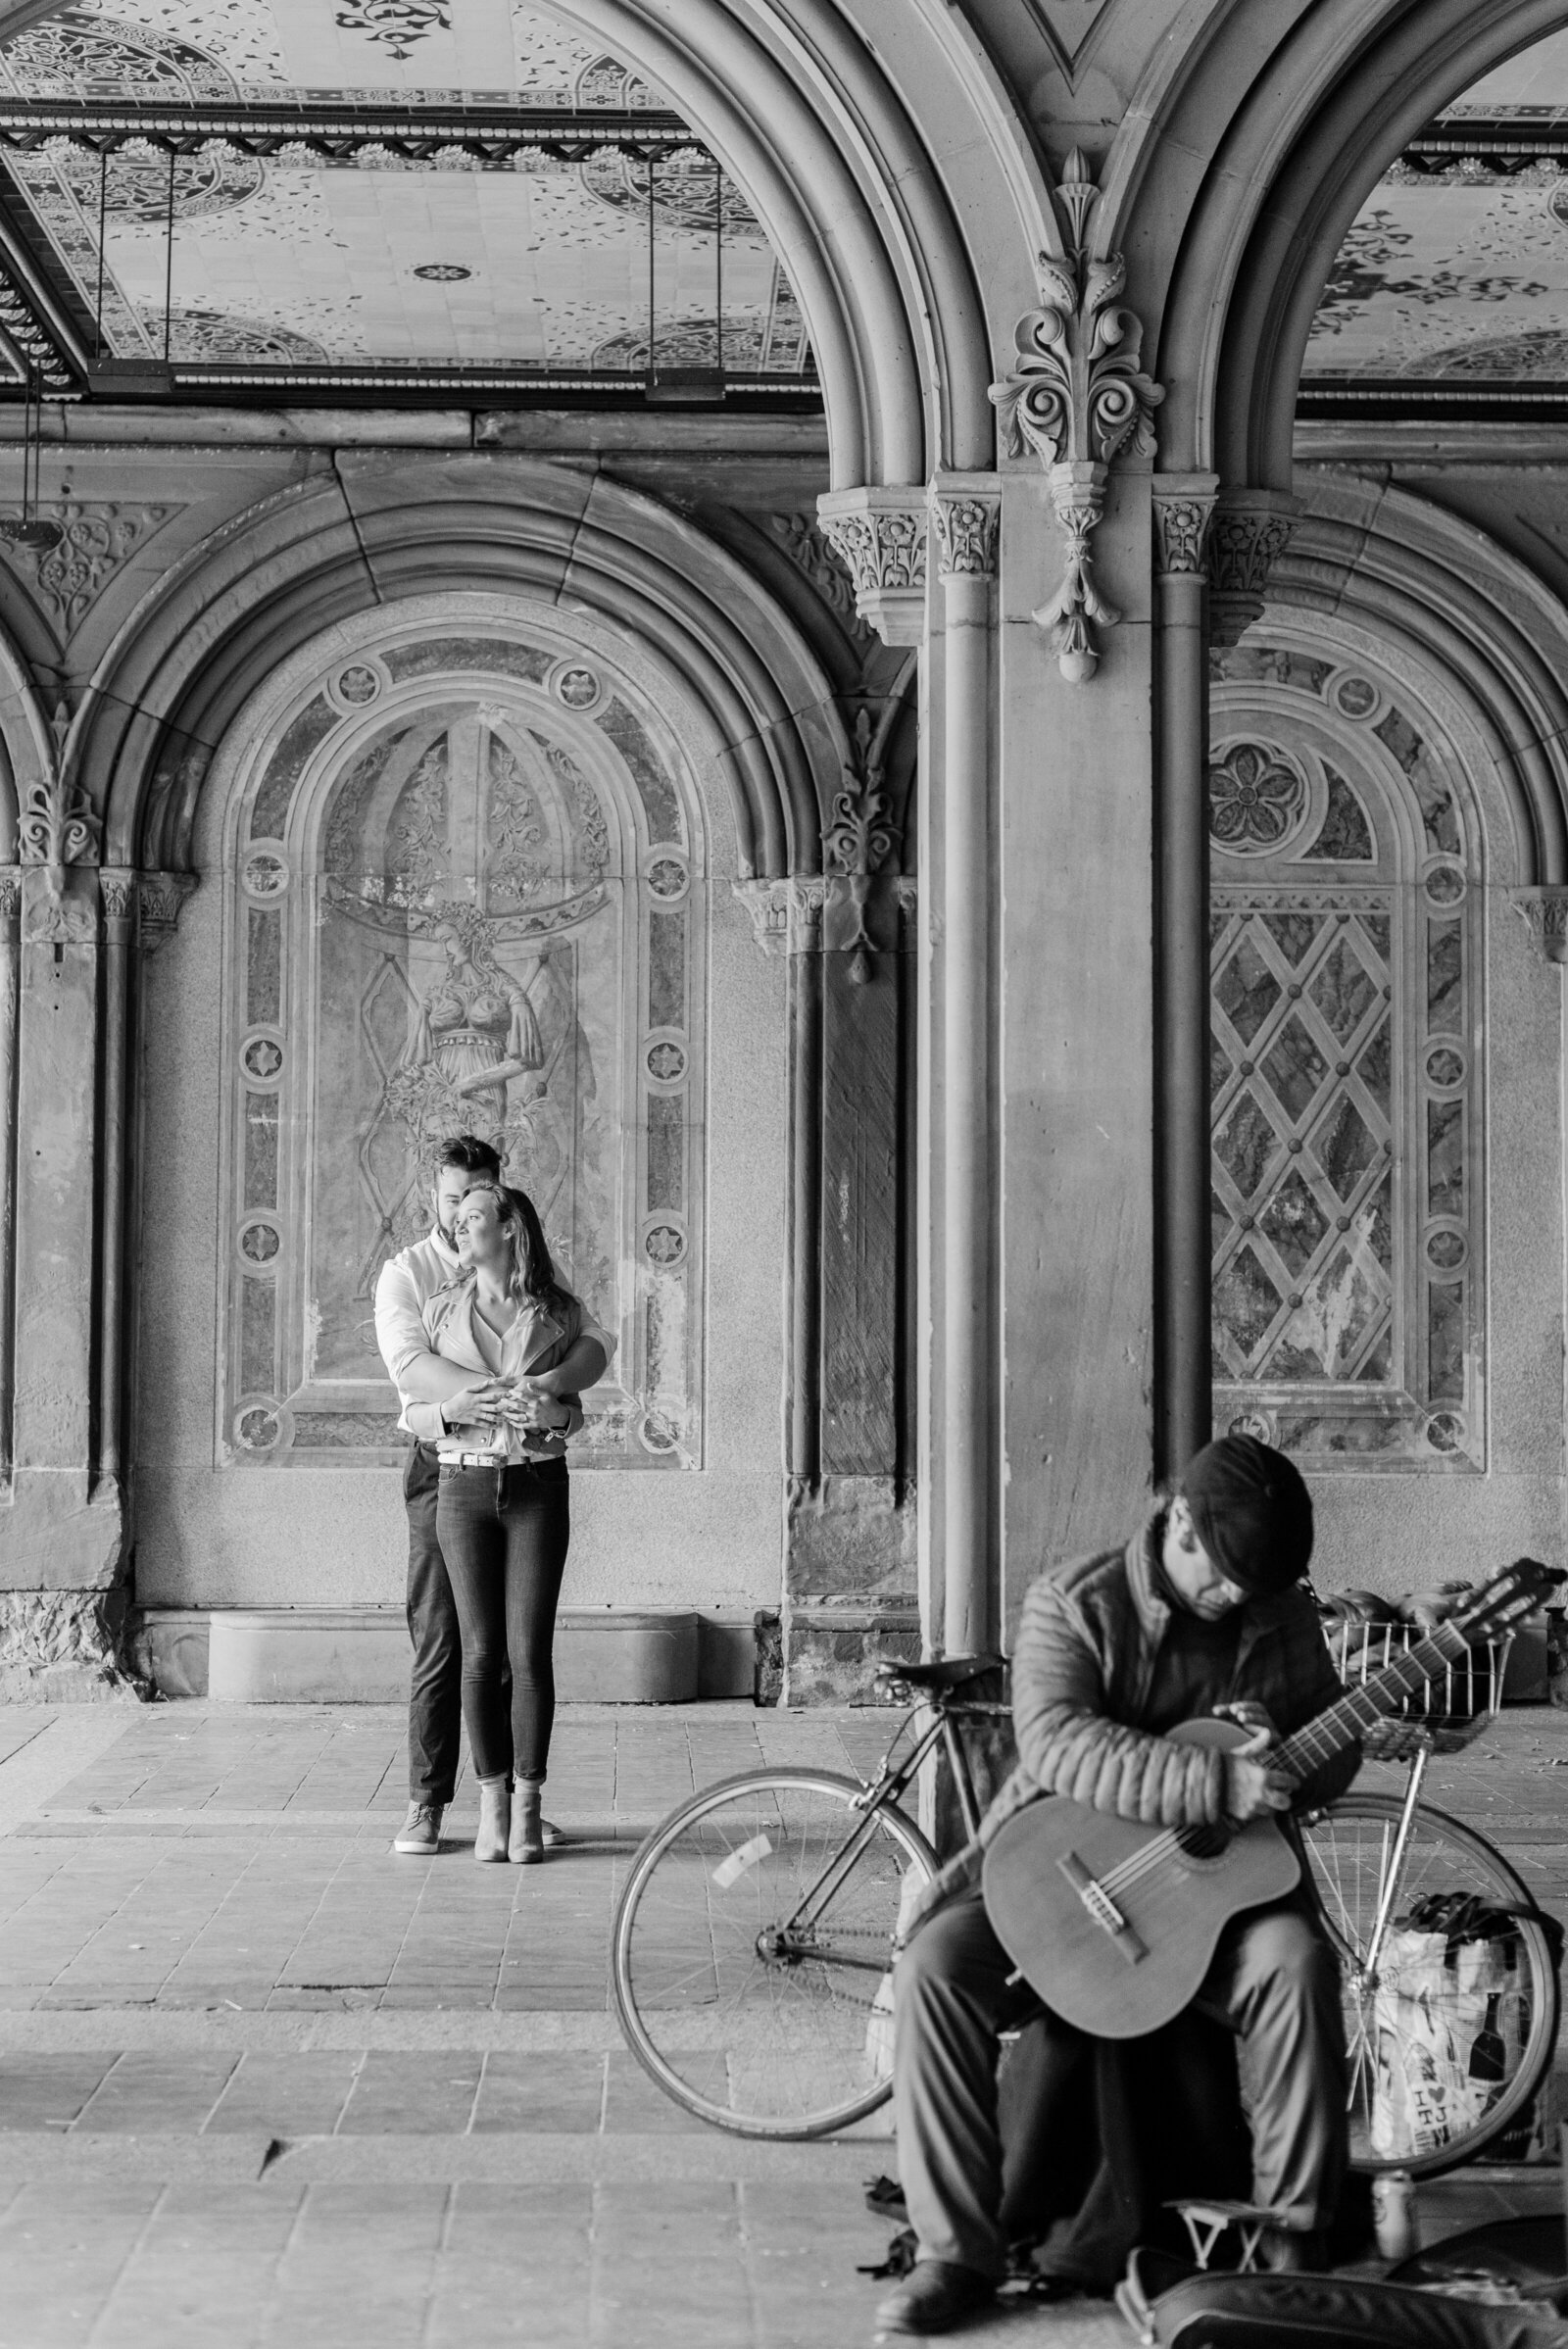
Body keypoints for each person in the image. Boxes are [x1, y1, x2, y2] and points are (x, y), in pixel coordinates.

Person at [877, 1435, 1359, 2335]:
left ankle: (1297, 2236)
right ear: (1178, 1517)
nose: (1233, 1599)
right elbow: (1058, 1742)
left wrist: (1292, 1755)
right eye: (1220, 1577)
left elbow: (1329, 1748)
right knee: (935, 1964)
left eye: (1254, 1588)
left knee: (1296, 1960)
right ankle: (954, 2254)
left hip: (1223, 1896)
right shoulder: (1076, 1599)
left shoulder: (1279, 1611)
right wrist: (1215, 1782)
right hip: (1055, 1862)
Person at [374, 1137, 612, 1856]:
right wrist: (475, 1398)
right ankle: (431, 1802)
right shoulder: (413, 1277)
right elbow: (410, 1369)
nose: (460, 1215)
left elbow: (588, 1339)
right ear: (434, 1200)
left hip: (532, 1476)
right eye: (452, 1201)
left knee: (521, 1648)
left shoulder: (538, 1276)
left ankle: (518, 1797)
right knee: (447, 1640)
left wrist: (555, 1400)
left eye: (476, 1199)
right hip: (445, 1467)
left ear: (505, 1206)